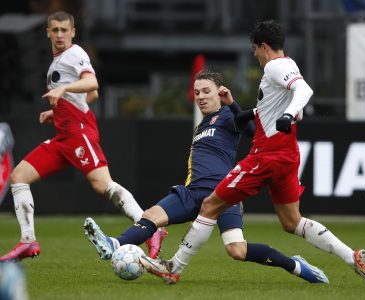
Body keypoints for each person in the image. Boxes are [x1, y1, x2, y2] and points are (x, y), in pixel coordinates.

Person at [143, 20, 365, 288]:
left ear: (264, 46)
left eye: (254, 49)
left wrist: (289, 114)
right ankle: (352, 258)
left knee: (210, 205)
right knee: (292, 221)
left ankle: (173, 267)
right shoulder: (288, 65)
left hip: (266, 155)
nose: (254, 55)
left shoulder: (274, 67)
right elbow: (280, 106)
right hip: (288, 155)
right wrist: (239, 107)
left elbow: (305, 91)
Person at [84, 70, 329, 285]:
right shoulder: (202, 125)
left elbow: (255, 134)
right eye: (197, 92)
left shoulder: (228, 116)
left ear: (220, 92)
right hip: (192, 192)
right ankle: (114, 244)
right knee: (151, 216)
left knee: (237, 250)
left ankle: (295, 265)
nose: (200, 96)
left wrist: (232, 105)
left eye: (206, 91)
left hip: (224, 193)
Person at [0, 11, 165, 262]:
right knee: (19, 176)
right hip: (63, 136)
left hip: (78, 133)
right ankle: (28, 242)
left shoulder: (74, 54)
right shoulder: (58, 61)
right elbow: (91, 98)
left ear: (73, 32)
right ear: (47, 32)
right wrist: (55, 113)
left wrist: (64, 88)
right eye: (54, 30)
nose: (59, 35)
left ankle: (151, 228)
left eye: (64, 30)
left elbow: (92, 84)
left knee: (102, 184)